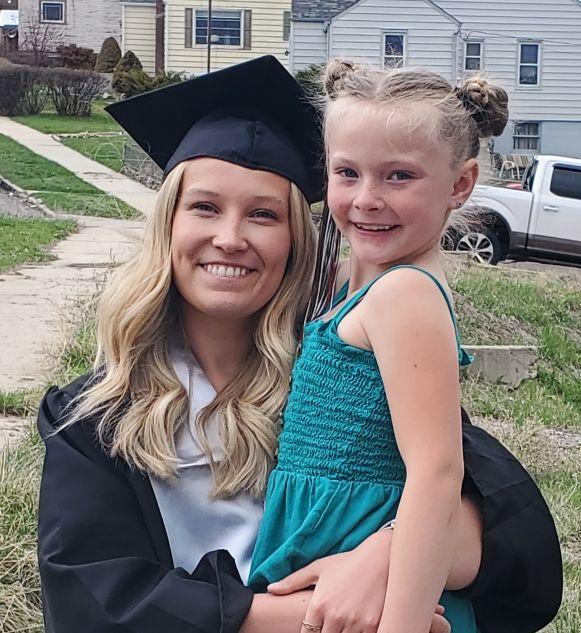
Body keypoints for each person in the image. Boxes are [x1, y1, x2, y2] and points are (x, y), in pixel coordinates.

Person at [36, 56, 453, 633]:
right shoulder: (93, 419)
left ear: (296, 240)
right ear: (168, 226)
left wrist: (384, 553)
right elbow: (93, 599)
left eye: (263, 214)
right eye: (204, 207)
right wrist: (309, 618)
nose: (230, 239)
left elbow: (486, 501)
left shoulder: (340, 373)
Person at [248, 60, 563, 633]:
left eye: (399, 176)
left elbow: (436, 474)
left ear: (460, 185)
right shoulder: (359, 284)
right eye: (347, 172)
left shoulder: (404, 296)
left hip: (384, 591)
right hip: (336, 549)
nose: (367, 198)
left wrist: (402, 624)